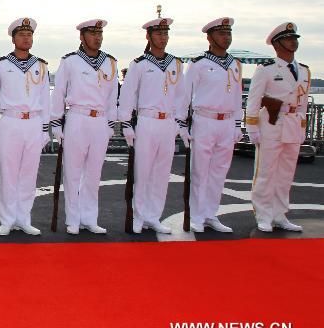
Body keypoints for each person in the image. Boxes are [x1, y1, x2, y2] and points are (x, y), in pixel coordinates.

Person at [118, 17, 188, 234]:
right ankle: (138, 216)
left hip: (167, 122)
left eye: (166, 34)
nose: (163, 38)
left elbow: (181, 96)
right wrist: (126, 124)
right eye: (158, 34)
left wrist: (179, 122)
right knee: (143, 171)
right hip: (147, 121)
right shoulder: (140, 64)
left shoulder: (176, 64)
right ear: (148, 37)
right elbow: (128, 96)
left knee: (161, 173)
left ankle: (153, 216)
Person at [49, 19, 118, 235]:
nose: (97, 38)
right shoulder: (70, 61)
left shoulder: (110, 62)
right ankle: (73, 219)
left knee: (94, 173)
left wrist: (110, 124)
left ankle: (89, 217)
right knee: (73, 172)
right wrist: (56, 122)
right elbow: (58, 92)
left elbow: (113, 96)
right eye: (92, 33)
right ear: (82, 37)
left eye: (100, 34)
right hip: (77, 117)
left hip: (99, 121)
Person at [0, 17, 49, 236]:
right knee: (10, 173)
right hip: (10, 121)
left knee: (29, 174)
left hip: (34, 123)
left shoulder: (40, 65)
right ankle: (8, 219)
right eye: (21, 35)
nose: (26, 38)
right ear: (13, 38)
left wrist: (46, 129)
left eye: (29, 35)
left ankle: (24, 218)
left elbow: (45, 100)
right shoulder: (1, 65)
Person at [182, 17, 243, 233]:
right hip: (204, 120)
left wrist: (238, 124)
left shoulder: (235, 65)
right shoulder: (198, 64)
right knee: (200, 171)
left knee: (219, 171)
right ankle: (196, 216)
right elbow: (185, 95)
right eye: (221, 34)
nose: (226, 37)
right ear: (210, 37)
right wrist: (182, 124)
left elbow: (237, 97)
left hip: (226, 122)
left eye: (228, 34)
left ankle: (211, 214)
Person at [246, 22, 309, 233]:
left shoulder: (305, 71)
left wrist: (302, 129)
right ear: (277, 44)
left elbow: (303, 104)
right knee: (266, 172)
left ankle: (280, 214)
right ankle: (263, 214)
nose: (294, 41)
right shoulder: (266, 70)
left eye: (295, 38)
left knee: (286, 173)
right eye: (289, 38)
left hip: (292, 124)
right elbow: (253, 102)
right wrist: (252, 128)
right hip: (271, 124)